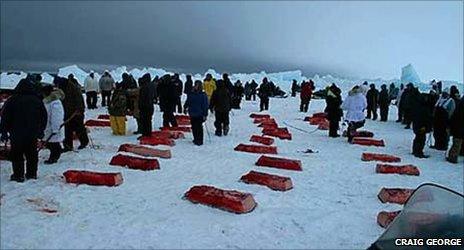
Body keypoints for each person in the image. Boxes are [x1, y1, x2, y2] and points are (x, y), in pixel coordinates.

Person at [0, 79, 47, 182]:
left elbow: (5, 117)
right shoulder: (36, 100)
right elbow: (44, 116)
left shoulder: (12, 100)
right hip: (32, 133)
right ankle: (31, 174)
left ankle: (18, 175)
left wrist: (3, 131)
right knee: (32, 154)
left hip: (16, 133)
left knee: (17, 154)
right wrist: (41, 130)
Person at [61, 74, 89, 151]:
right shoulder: (65, 88)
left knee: (79, 128)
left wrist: (79, 110)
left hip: (77, 113)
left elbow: (79, 100)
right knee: (68, 129)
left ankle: (84, 142)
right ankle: (68, 145)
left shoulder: (74, 89)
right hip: (68, 112)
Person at [41, 85, 65, 164]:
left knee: (53, 144)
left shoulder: (55, 103)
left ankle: (54, 158)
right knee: (50, 143)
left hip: (53, 127)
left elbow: (57, 117)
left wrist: (55, 128)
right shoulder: (47, 101)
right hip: (48, 126)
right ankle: (54, 156)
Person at [184, 80, 208, 146]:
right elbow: (188, 101)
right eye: (195, 84)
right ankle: (195, 139)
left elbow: (205, 105)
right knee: (194, 127)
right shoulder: (191, 93)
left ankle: (200, 140)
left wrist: (205, 114)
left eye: (197, 85)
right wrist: (185, 107)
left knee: (199, 127)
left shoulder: (203, 95)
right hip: (192, 113)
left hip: (200, 114)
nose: (195, 86)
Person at [411, 89, 433, 158]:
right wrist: (425, 126)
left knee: (417, 138)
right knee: (421, 139)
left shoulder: (418, 105)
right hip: (421, 126)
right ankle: (418, 152)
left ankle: (415, 151)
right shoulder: (423, 107)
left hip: (417, 125)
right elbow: (424, 118)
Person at [447, 96, 463, 163]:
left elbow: (453, 118)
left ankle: (453, 157)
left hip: (458, 128)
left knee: (456, 143)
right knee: (457, 143)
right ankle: (453, 157)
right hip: (459, 128)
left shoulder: (458, 109)